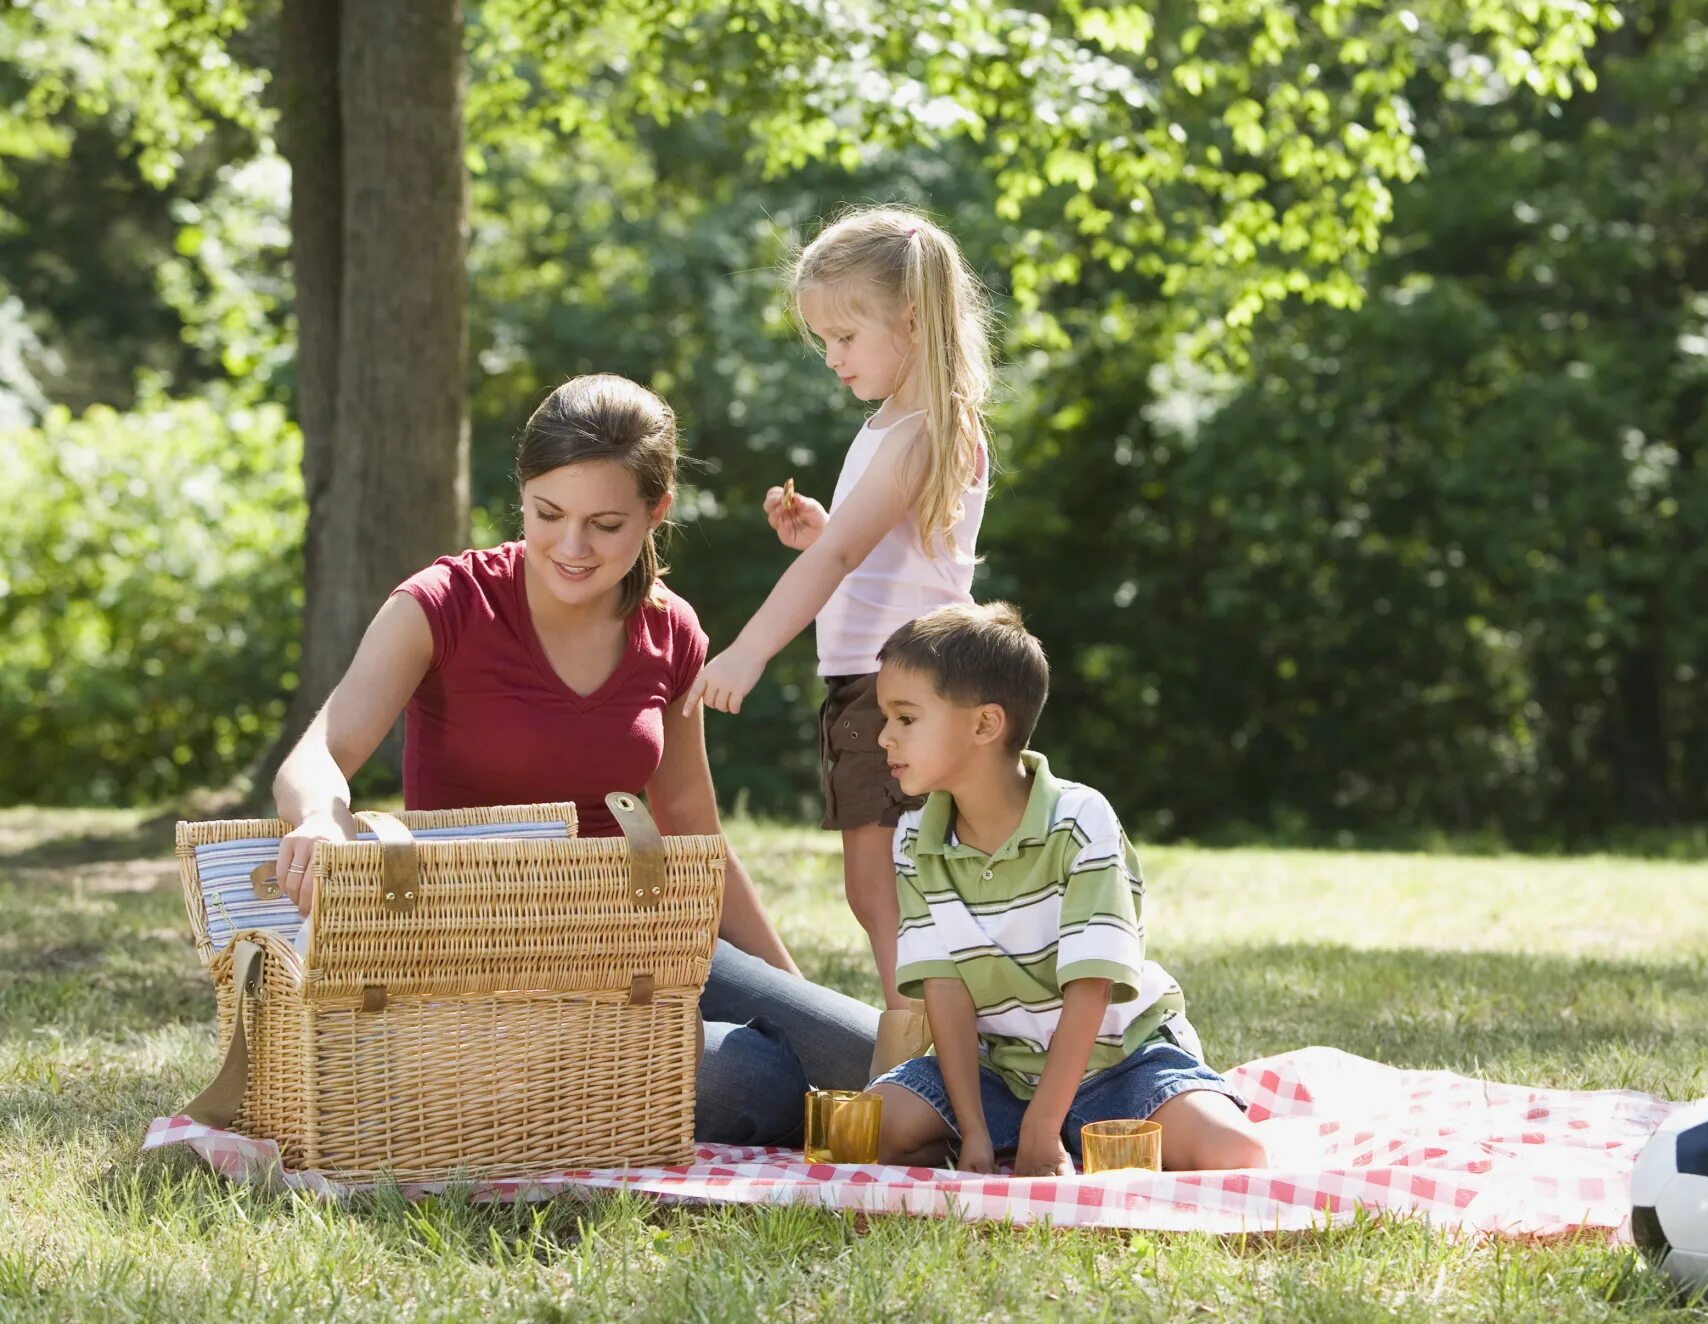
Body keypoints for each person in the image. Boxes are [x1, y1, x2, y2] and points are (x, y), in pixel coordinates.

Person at [269, 373, 878, 1145]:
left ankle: (1058, 1125)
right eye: (547, 514)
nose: (571, 546)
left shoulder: (672, 632)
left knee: (873, 1053)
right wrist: (322, 819)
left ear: (658, 512)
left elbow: (692, 827)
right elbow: (318, 752)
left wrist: (790, 998)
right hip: (484, 955)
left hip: (635, 935)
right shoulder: (444, 603)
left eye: (606, 523)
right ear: (521, 492)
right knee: (745, 1079)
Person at [680, 206, 994, 1014]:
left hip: (899, 687)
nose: (832, 358)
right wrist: (823, 530)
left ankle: (919, 1041)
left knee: (886, 884)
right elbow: (880, 554)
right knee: (894, 881)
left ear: (912, 321)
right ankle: (930, 1034)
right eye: (824, 340)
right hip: (903, 680)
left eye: (846, 338)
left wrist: (747, 651)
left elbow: (844, 558)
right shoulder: (897, 427)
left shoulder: (917, 433)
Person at [861, 603, 1268, 1176]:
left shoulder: (1079, 820)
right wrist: (974, 1131)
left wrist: (1042, 1126)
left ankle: (1066, 1133)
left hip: (1121, 1062)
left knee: (1237, 1155)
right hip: (999, 1072)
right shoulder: (913, 839)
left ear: (985, 724)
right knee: (870, 1127)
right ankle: (1052, 1140)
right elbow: (945, 992)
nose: (884, 737)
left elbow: (1092, 983)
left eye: (905, 718)